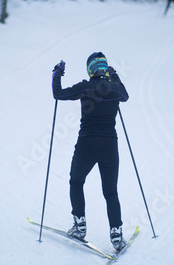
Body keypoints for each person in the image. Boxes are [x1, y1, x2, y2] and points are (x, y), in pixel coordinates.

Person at [51, 52, 129, 251]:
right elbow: (125, 96)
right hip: (110, 146)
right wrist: (115, 76)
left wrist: (57, 74)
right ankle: (117, 235)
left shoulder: (85, 87)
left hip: (87, 144)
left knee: (76, 182)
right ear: (105, 68)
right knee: (111, 192)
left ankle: (80, 226)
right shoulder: (115, 88)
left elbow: (58, 94)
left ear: (90, 69)